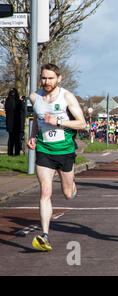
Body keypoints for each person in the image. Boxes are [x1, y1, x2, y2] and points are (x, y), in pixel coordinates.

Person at [27, 63, 86, 251]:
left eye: (50, 78)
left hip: (65, 150)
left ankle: (72, 184)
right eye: (44, 78)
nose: (46, 81)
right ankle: (45, 235)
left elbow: (82, 123)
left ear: (59, 79)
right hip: (44, 150)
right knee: (45, 192)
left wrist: (59, 121)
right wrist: (33, 136)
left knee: (68, 194)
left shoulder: (67, 97)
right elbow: (36, 119)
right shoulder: (34, 97)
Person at [5, 88, 24, 156]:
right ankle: (16, 153)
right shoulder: (17, 101)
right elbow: (22, 110)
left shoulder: (8, 101)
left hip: (12, 124)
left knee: (12, 140)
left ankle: (11, 153)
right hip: (17, 124)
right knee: (16, 140)